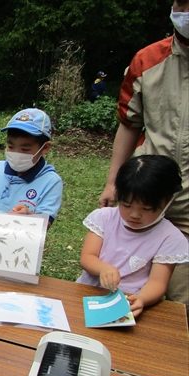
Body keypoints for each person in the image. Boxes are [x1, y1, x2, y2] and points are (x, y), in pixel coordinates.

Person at [99, 0, 189, 307]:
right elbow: (129, 124)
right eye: (182, 3)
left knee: (180, 297)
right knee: (128, 281)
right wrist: (114, 182)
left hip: (186, 203)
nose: (185, 11)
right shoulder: (147, 60)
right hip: (143, 188)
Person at [78, 155, 188, 317]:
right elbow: (88, 257)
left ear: (167, 201)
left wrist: (142, 299)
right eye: (127, 205)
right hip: (87, 293)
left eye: (147, 208)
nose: (135, 215)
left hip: (129, 302)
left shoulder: (170, 237)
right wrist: (103, 268)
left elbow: (157, 282)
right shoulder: (104, 218)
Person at [0, 108, 63, 263]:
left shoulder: (51, 182)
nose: (16, 153)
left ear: (45, 148)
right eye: (11, 147)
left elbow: (44, 225)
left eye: (25, 149)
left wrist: (29, 217)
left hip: (17, 261)